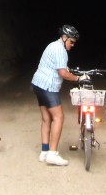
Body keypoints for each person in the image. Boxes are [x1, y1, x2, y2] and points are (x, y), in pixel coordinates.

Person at [31, 24, 87, 166]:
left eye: (74, 42)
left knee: (46, 119)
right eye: (71, 41)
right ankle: (53, 153)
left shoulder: (52, 45)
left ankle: (44, 152)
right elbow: (62, 73)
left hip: (38, 84)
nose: (73, 45)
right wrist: (78, 78)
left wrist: (71, 72)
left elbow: (60, 67)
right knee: (59, 117)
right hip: (48, 87)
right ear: (64, 38)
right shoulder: (60, 50)